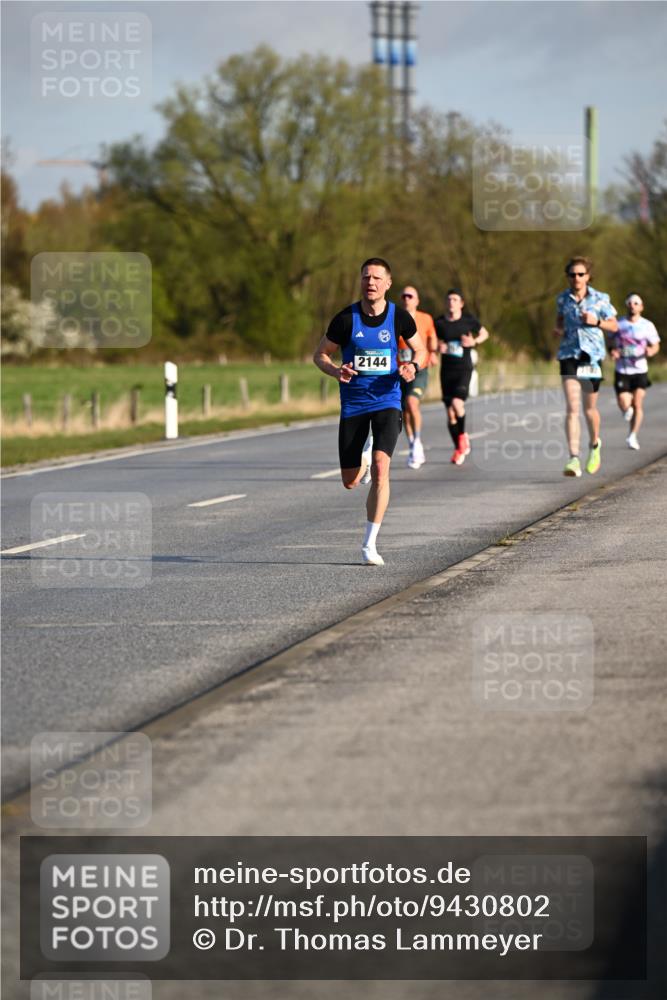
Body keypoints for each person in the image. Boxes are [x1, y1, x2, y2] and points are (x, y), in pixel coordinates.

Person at [313, 258, 428, 566]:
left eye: (377, 278)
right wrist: (336, 371)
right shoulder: (346, 319)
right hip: (354, 404)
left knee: (381, 468)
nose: (371, 283)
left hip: (388, 400)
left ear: (388, 283)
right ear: (360, 281)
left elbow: (422, 350)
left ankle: (369, 543)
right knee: (350, 481)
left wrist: (412, 367)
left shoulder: (400, 318)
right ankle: (360, 459)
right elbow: (320, 354)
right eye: (366, 277)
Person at [554, 257, 618, 477]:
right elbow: (560, 319)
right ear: (568, 277)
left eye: (581, 274)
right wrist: (559, 329)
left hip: (591, 357)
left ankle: (594, 445)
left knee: (589, 409)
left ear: (588, 276)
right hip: (568, 354)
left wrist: (596, 322)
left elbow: (614, 326)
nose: (576, 278)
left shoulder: (601, 298)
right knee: (572, 407)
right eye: (572, 274)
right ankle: (573, 458)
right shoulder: (562, 299)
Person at [434, 288, 490, 465]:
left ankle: (463, 436)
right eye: (449, 299)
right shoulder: (440, 322)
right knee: (450, 413)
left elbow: (485, 333)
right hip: (446, 371)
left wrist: (474, 342)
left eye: (455, 299)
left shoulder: (468, 320)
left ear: (461, 303)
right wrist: (438, 347)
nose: (451, 302)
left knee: (458, 404)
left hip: (464, 369)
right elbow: (432, 340)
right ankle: (458, 448)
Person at [609, 293, 661, 450]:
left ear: (641, 307)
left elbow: (655, 345)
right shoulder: (619, 324)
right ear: (627, 305)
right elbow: (610, 340)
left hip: (640, 369)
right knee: (625, 403)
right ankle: (627, 410)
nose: (633, 305)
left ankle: (632, 436)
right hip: (622, 369)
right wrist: (612, 350)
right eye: (630, 302)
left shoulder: (647, 325)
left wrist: (652, 351)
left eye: (636, 303)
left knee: (638, 403)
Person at [398, 285, 439, 469]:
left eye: (410, 296)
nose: (407, 299)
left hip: (419, 368)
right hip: (399, 370)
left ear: (417, 300)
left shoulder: (425, 318)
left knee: (412, 402)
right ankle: (413, 443)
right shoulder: (395, 318)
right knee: (404, 410)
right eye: (404, 296)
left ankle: (418, 442)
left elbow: (432, 338)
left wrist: (433, 352)